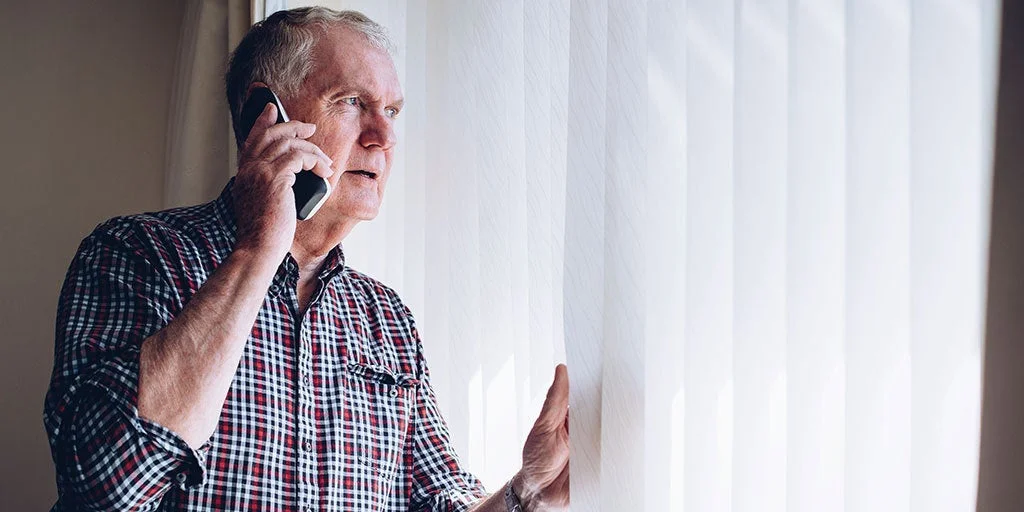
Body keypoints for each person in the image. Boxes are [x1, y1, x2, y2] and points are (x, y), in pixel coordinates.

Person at [43, 7, 569, 511]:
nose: (383, 138)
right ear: (264, 116)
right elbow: (105, 486)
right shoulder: (136, 252)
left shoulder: (388, 319)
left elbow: (439, 503)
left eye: (390, 111)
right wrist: (259, 249)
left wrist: (527, 492)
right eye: (350, 102)